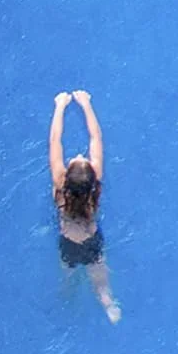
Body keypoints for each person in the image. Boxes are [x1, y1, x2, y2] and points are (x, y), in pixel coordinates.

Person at [49, 89, 120, 322]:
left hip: (68, 242)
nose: (80, 154)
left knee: (68, 275)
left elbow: (55, 141)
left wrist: (60, 106)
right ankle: (109, 306)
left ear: (66, 177)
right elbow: (95, 137)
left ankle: (66, 300)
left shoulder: (60, 188)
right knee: (100, 282)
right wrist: (86, 104)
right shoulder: (94, 192)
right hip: (91, 241)